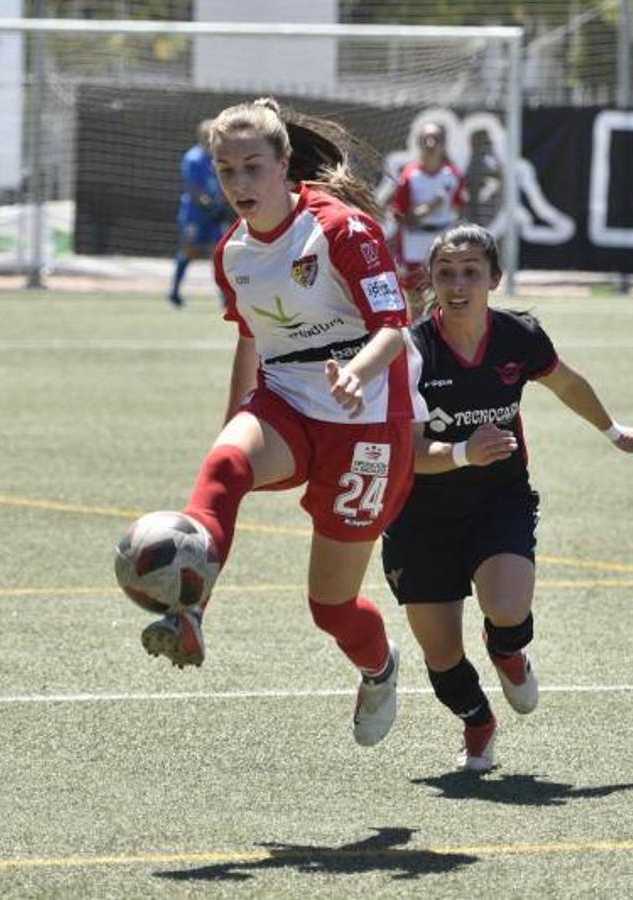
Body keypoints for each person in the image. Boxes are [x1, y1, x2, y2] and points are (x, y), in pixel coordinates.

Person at [140, 98, 428, 749]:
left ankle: (379, 668)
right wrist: (232, 427)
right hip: (288, 400)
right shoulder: (233, 253)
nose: (238, 183)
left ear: (283, 164)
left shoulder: (342, 230)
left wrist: (355, 373)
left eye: (252, 167)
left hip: (366, 421)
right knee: (224, 466)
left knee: (331, 608)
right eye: (226, 170)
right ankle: (188, 610)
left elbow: (393, 326)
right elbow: (250, 340)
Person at [381, 223, 633, 771]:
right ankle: (478, 721)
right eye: (445, 273)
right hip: (420, 515)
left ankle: (506, 649)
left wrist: (613, 431)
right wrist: (465, 451)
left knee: (508, 609)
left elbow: (567, 383)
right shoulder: (412, 351)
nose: (458, 285)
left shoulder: (519, 337)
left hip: (497, 500)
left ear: (494, 279)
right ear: (430, 279)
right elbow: (406, 454)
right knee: (442, 656)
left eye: (471, 272)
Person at [390, 122, 469, 320]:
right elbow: (399, 216)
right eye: (425, 139)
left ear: (444, 144)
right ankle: (417, 331)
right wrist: (426, 210)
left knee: (443, 289)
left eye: (436, 139)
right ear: (418, 143)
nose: (430, 144)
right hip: (415, 240)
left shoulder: (452, 175)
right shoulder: (410, 175)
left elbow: (461, 207)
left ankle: (438, 329)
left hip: (441, 239)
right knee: (415, 292)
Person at [169, 120, 233, 308]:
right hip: (195, 215)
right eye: (209, 136)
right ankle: (174, 292)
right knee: (190, 251)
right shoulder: (193, 158)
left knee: (219, 253)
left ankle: (224, 296)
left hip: (215, 214)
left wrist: (223, 205)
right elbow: (194, 188)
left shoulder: (221, 157)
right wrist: (209, 205)